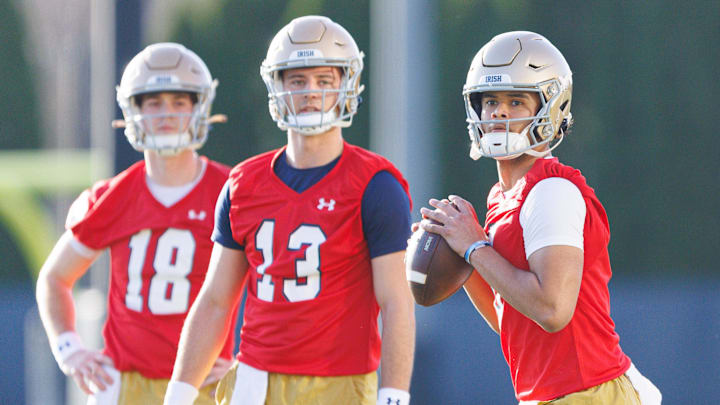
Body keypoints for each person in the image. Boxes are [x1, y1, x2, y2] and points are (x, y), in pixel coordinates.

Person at [163, 15, 415, 405]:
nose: (310, 92)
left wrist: (394, 395)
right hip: (254, 381)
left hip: (339, 384)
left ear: (347, 87)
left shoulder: (375, 185)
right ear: (276, 86)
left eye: (324, 80)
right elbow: (215, 300)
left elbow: (396, 302)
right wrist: (178, 393)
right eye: (297, 80)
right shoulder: (242, 184)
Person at [418, 31, 662, 404]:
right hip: (554, 395)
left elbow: (551, 309)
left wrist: (474, 248)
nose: (498, 112)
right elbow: (514, 319)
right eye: (491, 101)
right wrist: (461, 261)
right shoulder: (503, 197)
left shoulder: (551, 191)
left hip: (587, 391)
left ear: (550, 107)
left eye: (516, 101)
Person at [36, 42, 236, 405]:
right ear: (133, 110)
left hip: (205, 382)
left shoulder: (231, 191)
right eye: (154, 102)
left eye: (179, 102)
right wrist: (69, 350)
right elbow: (54, 278)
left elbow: (270, 285)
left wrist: (249, 360)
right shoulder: (113, 196)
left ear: (199, 107)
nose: (166, 114)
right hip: (128, 385)